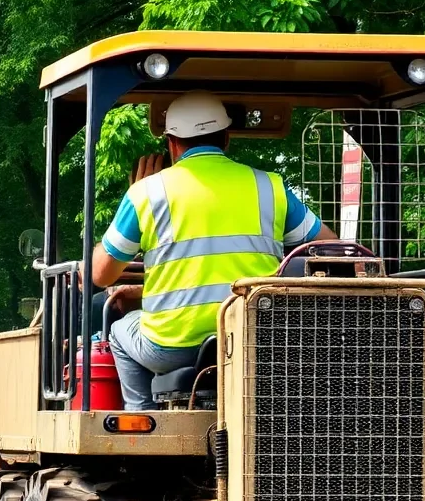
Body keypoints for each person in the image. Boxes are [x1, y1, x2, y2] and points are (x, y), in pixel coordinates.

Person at [91, 91, 337, 410]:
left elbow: (100, 274)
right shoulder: (270, 187)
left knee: (119, 329)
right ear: (226, 137)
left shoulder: (146, 193)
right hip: (254, 340)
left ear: (172, 143)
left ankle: (144, 425)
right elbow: (332, 248)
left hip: (172, 346)